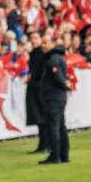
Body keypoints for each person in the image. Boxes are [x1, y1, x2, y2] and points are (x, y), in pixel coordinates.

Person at [37, 33, 69, 164]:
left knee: (54, 127)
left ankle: (55, 155)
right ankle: (64, 155)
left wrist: (65, 85)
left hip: (54, 98)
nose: (43, 45)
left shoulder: (53, 59)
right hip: (58, 97)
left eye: (45, 42)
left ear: (53, 43)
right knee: (61, 126)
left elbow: (59, 78)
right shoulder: (58, 57)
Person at [24, 31, 48, 155]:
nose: (33, 40)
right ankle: (43, 144)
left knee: (42, 118)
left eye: (35, 38)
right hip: (35, 88)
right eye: (32, 38)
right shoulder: (34, 53)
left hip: (39, 89)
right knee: (40, 118)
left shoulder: (41, 54)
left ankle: (45, 145)